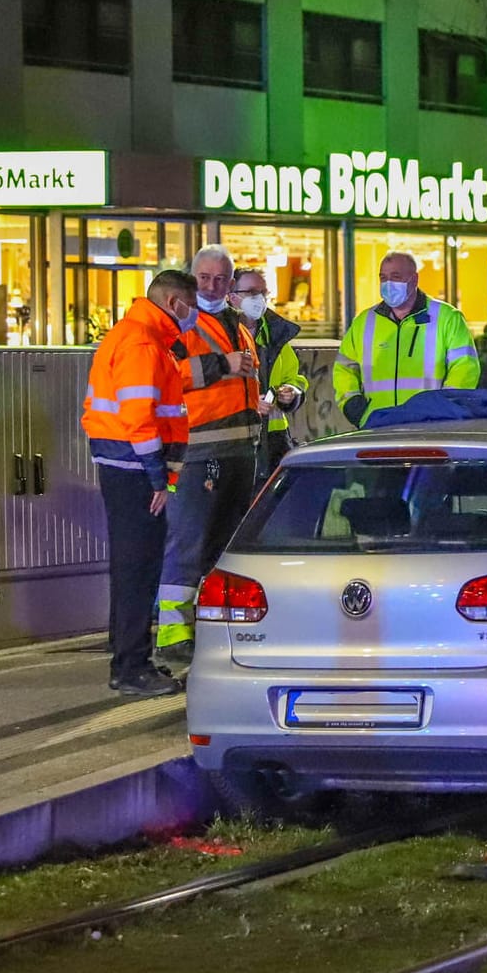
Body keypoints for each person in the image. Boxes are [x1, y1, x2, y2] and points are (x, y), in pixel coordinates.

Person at [81, 270, 194, 696]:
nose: (194, 315)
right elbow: (139, 418)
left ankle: (130, 658)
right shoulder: (142, 343)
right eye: (190, 304)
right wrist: (157, 478)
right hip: (135, 470)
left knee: (136, 567)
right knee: (138, 569)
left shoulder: (143, 337)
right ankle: (131, 666)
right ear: (173, 302)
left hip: (128, 466)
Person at [157, 245, 262, 664]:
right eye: (205, 278)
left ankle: (207, 626)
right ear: (192, 278)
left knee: (223, 546)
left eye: (221, 279)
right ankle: (172, 633)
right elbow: (169, 375)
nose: (213, 286)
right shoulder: (180, 325)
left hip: (239, 448)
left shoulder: (238, 324)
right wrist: (223, 364)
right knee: (188, 542)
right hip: (197, 450)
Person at [334, 251, 480, 428]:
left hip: (431, 426)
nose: (388, 284)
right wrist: (355, 408)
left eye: (396, 277)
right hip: (377, 425)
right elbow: (344, 368)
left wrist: (444, 409)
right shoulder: (364, 322)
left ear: (414, 279)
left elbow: (465, 368)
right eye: (383, 277)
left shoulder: (447, 318)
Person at [229, 268, 309, 476]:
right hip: (233, 439)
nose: (260, 299)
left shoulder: (275, 335)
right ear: (232, 296)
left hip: (274, 440)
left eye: (263, 293)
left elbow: (295, 378)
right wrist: (249, 403)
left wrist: (291, 392)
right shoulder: (220, 335)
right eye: (252, 292)